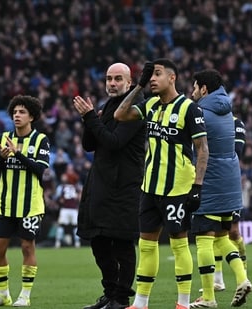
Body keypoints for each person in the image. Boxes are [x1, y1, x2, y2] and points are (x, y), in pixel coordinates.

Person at [114, 58, 209, 309]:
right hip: (150, 187)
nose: (152, 79)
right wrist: (139, 86)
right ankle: (141, 302)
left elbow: (202, 150)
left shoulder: (190, 108)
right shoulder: (152, 104)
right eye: (150, 75)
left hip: (177, 188)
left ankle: (183, 303)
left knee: (179, 244)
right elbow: (120, 114)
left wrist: (197, 187)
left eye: (156, 74)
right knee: (146, 245)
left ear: (172, 77)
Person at [73, 62, 146, 309]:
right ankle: (110, 292)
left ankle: (122, 298)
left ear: (129, 82)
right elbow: (89, 145)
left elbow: (114, 142)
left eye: (117, 79)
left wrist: (91, 117)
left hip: (124, 186)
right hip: (102, 184)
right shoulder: (109, 106)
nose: (112, 84)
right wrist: (89, 119)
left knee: (122, 243)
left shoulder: (136, 108)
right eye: (108, 79)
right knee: (99, 240)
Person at [189, 69, 252, 308]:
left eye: (195, 87)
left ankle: (208, 298)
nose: (193, 92)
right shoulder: (228, 112)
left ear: (204, 89)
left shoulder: (201, 112)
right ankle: (242, 278)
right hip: (230, 182)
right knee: (223, 238)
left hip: (210, 181)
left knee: (204, 240)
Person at [0, 95, 50, 307]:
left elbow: (40, 170)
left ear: (32, 116)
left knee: (27, 247)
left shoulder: (41, 140)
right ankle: (3, 295)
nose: (17, 115)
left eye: (22, 112)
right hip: (5, 204)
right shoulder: (2, 138)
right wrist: (2, 157)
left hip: (30, 206)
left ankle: (25, 296)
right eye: (15, 112)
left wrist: (17, 154)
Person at [207, 115, 248, 293]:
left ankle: (243, 268)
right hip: (210, 183)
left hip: (228, 183)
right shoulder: (205, 119)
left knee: (233, 231)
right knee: (215, 232)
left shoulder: (236, 123)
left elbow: (237, 152)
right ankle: (218, 280)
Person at [54, 166, 82, 248]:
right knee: (75, 226)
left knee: (61, 225)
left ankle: (57, 243)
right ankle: (77, 243)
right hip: (73, 209)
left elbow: (60, 199)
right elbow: (79, 198)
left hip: (65, 209)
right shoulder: (77, 187)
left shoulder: (62, 187)